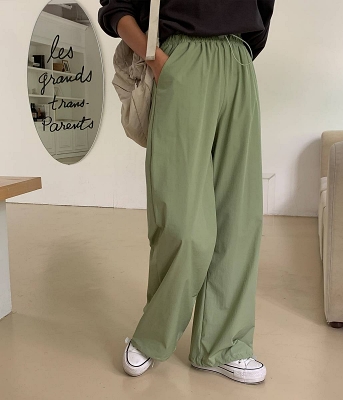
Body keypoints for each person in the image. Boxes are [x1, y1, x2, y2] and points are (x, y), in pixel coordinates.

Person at [98, 0, 275, 385]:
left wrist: (240, 54)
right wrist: (157, 59)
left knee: (239, 217)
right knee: (182, 222)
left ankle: (223, 346)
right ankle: (153, 333)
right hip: (181, 58)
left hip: (238, 60)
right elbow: (116, 7)